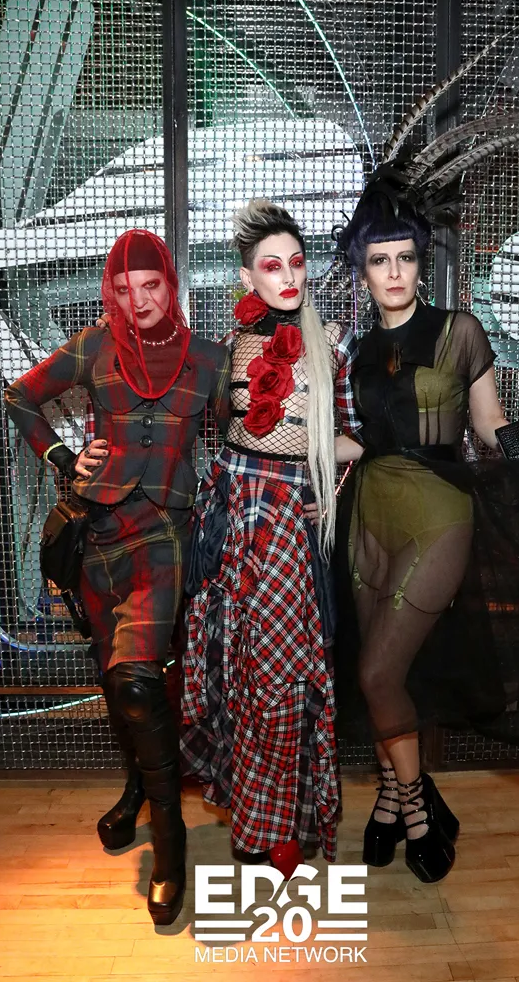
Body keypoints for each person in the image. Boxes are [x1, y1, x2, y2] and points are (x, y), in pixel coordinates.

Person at [336, 186, 519, 885]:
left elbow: (489, 430)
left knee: (377, 673)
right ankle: (395, 795)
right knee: (385, 672)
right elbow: (358, 441)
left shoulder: (459, 330)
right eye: (379, 260)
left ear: (420, 263)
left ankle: (418, 810)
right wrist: (275, 447)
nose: (394, 271)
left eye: (405, 257)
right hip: (368, 512)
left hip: (439, 508)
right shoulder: (358, 349)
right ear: (362, 269)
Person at [4, 229, 230, 924]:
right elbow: (20, 398)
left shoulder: (210, 358)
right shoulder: (94, 345)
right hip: (99, 535)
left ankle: (170, 840)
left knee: (136, 678)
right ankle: (137, 790)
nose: (140, 301)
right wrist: (64, 458)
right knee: (118, 681)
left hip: (165, 531)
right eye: (126, 291)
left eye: (151, 286)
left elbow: (238, 438)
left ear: (170, 283)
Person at [180, 200, 362, 877]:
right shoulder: (230, 345)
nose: (287, 276)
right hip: (232, 519)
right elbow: (214, 428)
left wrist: (330, 484)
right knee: (238, 671)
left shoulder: (334, 342)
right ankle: (253, 819)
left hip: (287, 521)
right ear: (247, 276)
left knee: (283, 675)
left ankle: (282, 824)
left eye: (295, 262)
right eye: (271, 265)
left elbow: (356, 439)